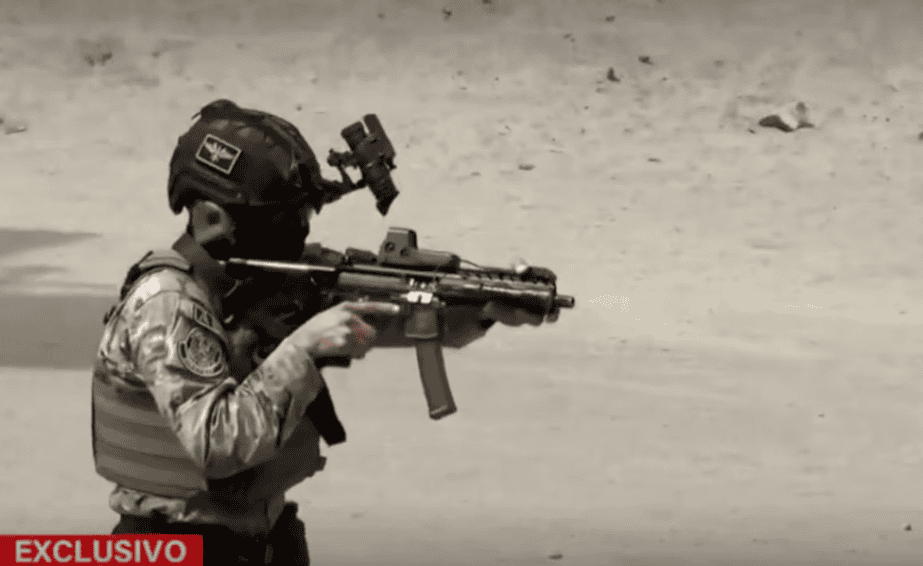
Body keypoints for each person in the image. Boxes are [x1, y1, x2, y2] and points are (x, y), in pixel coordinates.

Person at [91, 99, 542, 565]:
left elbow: (397, 313)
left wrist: (485, 307)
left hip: (259, 540)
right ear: (212, 219)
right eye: (284, 219)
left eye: (303, 216)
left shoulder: (270, 285)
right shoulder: (167, 303)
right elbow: (219, 444)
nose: (298, 232)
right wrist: (303, 350)